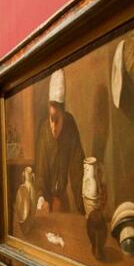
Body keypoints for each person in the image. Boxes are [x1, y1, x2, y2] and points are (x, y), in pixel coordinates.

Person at [34, 69, 85, 214]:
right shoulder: (44, 131)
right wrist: (41, 198)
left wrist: (84, 209)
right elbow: (40, 175)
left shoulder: (70, 125)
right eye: (51, 120)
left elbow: (77, 171)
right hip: (45, 202)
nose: (53, 127)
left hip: (62, 200)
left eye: (57, 121)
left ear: (64, 114)